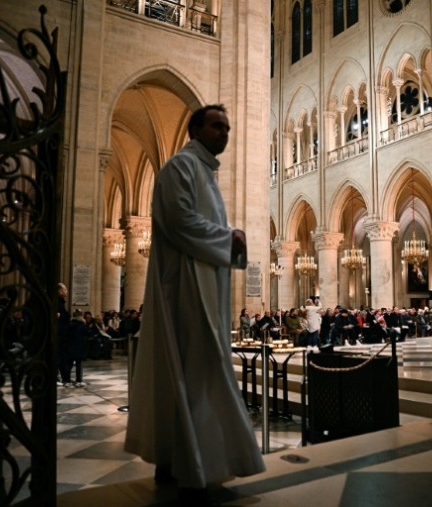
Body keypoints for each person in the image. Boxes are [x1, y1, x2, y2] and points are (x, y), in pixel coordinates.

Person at [124, 104, 265, 505]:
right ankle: (189, 467)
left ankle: (185, 461)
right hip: (184, 290)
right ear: (196, 130)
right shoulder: (179, 168)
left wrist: (228, 236)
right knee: (193, 372)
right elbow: (179, 221)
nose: (226, 133)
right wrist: (229, 236)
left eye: (228, 127)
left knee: (197, 373)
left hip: (204, 286)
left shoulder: (205, 172)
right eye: (218, 126)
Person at [63, 309, 88, 388]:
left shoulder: (68, 325)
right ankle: (78, 380)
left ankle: (67, 380)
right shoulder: (82, 325)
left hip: (69, 346)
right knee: (78, 364)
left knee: (69, 364)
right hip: (79, 347)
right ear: (81, 316)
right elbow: (88, 334)